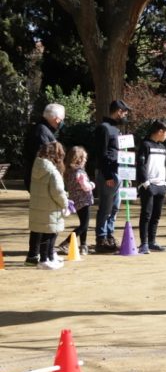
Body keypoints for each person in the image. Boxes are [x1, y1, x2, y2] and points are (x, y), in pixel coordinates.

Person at [23, 103, 65, 265]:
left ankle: (37, 254)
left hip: (39, 179)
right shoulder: (42, 132)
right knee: (46, 219)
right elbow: (44, 158)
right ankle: (44, 255)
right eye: (62, 119)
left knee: (41, 217)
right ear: (56, 119)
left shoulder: (42, 129)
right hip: (42, 181)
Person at [93, 99, 131, 253]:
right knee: (106, 207)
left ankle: (109, 235)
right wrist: (108, 175)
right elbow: (101, 154)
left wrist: (126, 174)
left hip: (119, 172)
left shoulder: (117, 130)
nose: (126, 116)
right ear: (119, 112)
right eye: (125, 113)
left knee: (114, 207)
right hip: (108, 173)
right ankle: (101, 238)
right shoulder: (104, 128)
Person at [28, 142, 71, 270]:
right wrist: (65, 204)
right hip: (51, 208)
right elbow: (58, 192)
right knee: (50, 234)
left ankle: (49, 258)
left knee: (44, 233)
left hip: (39, 207)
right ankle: (45, 260)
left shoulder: (37, 168)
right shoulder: (53, 172)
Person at [136, 120, 166, 253]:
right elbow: (141, 165)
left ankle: (152, 242)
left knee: (156, 216)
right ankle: (144, 244)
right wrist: (145, 183)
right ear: (160, 131)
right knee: (146, 215)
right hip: (149, 186)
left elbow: (164, 166)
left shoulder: (162, 147)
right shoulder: (145, 145)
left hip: (161, 186)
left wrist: (165, 183)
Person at [59, 146, 95, 256]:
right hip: (84, 200)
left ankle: (83, 245)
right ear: (78, 159)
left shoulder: (69, 172)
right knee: (84, 225)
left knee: (83, 223)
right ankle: (66, 243)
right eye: (84, 158)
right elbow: (85, 187)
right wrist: (92, 185)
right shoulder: (80, 172)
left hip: (76, 201)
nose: (86, 160)